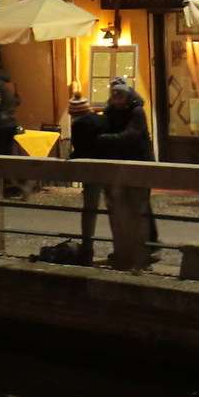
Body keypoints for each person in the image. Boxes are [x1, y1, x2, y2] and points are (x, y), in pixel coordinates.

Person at [68, 77, 157, 263]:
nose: (117, 99)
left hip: (139, 160)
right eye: (114, 96)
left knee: (140, 206)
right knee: (125, 207)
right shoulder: (110, 111)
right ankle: (131, 251)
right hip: (118, 163)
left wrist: (103, 140)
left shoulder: (137, 111)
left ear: (127, 96)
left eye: (120, 96)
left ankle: (147, 247)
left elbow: (132, 135)